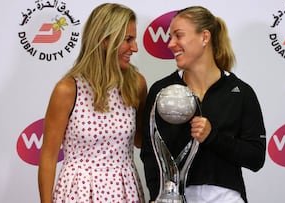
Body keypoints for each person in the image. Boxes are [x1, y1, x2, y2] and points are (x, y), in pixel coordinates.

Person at [140, 6, 266, 203]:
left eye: (178, 35)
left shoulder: (241, 92)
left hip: (226, 197)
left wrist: (212, 137)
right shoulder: (161, 90)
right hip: (175, 198)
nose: (171, 44)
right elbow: (149, 154)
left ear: (204, 37)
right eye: (170, 37)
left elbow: (256, 158)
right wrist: (160, 195)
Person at [38, 3, 147, 203]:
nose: (135, 48)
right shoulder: (68, 89)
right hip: (78, 192)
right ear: (105, 40)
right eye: (128, 39)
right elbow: (48, 157)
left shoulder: (136, 83)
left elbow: (142, 140)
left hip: (125, 192)